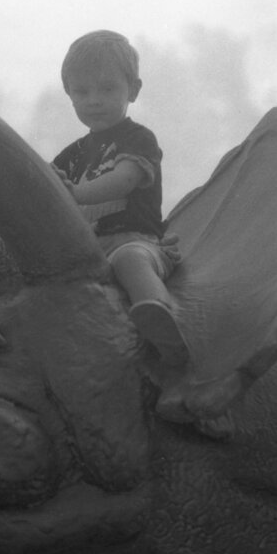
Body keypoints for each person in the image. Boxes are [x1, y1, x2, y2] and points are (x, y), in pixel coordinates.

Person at [52, 30, 188, 366]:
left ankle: (165, 327)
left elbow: (124, 180)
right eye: (82, 91)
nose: (94, 100)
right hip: (88, 253)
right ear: (69, 93)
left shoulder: (138, 139)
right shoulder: (71, 155)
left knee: (130, 260)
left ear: (134, 90)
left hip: (137, 242)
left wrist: (76, 193)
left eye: (107, 89)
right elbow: (42, 192)